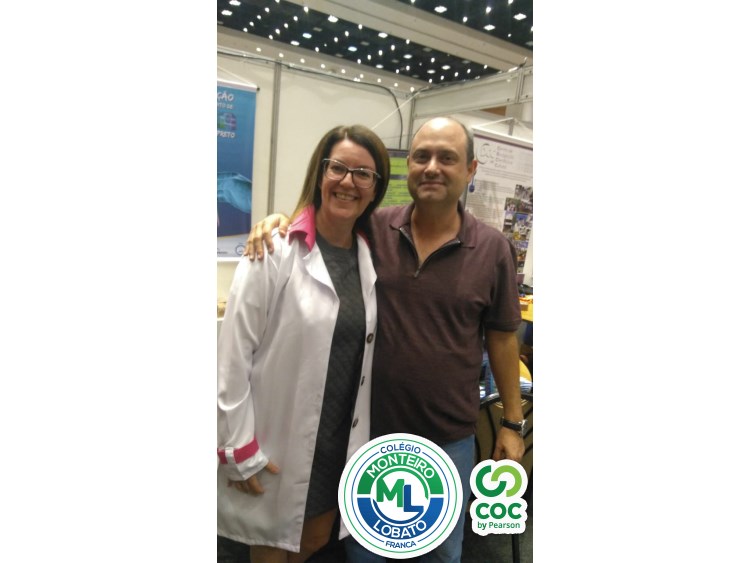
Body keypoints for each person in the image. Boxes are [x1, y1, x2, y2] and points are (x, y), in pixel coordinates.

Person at [245, 117, 525, 563]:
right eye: (421, 156)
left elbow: (503, 338)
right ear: (407, 166)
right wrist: (279, 222)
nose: (431, 167)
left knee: (438, 554)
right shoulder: (372, 229)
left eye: (447, 158)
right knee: (366, 552)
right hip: (370, 434)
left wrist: (511, 422)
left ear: (470, 169)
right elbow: (320, 222)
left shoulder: (493, 249)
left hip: (447, 439)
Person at [217, 124, 391, 562]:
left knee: (313, 544)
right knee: (269, 550)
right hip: (278, 439)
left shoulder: (369, 256)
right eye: (338, 168)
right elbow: (232, 357)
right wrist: (238, 448)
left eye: (363, 174)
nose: (348, 181)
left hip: (337, 442)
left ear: (375, 189)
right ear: (320, 173)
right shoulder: (274, 249)